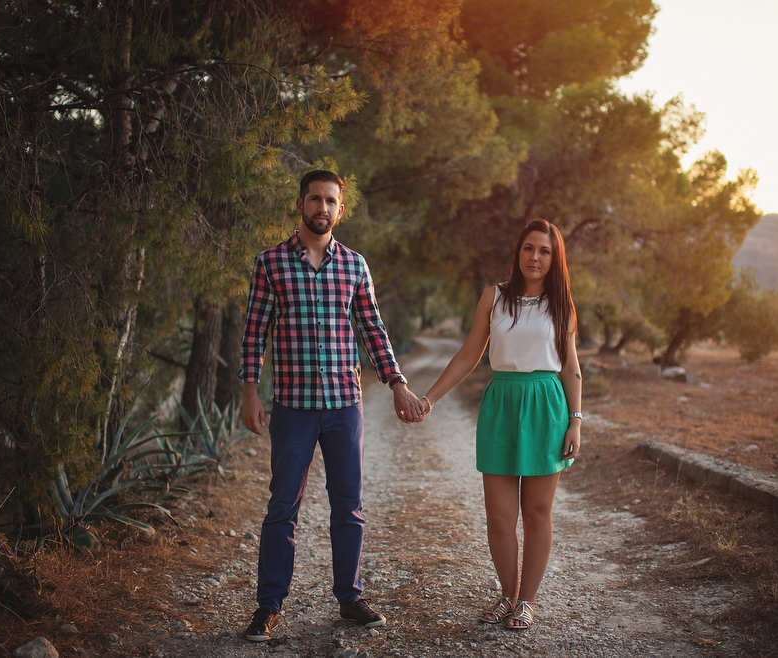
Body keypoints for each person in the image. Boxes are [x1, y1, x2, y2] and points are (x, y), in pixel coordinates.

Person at [239, 169, 425, 642]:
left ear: (341, 209)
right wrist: (248, 391)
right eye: (315, 199)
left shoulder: (355, 266)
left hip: (345, 405)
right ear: (300, 205)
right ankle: (268, 606)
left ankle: (349, 598)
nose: (322, 208)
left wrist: (397, 382)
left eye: (331, 201)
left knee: (349, 506)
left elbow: (372, 330)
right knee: (282, 507)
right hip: (293, 408)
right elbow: (254, 332)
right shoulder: (271, 263)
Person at [417, 218, 583, 630]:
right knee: (499, 516)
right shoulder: (494, 296)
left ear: (554, 257)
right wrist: (430, 397)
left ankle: (527, 601)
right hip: (501, 404)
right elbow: (469, 354)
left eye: (545, 251)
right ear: (518, 251)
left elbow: (571, 367)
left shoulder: (561, 304)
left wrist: (576, 421)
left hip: (546, 405)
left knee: (538, 512)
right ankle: (507, 594)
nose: (535, 257)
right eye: (529, 248)